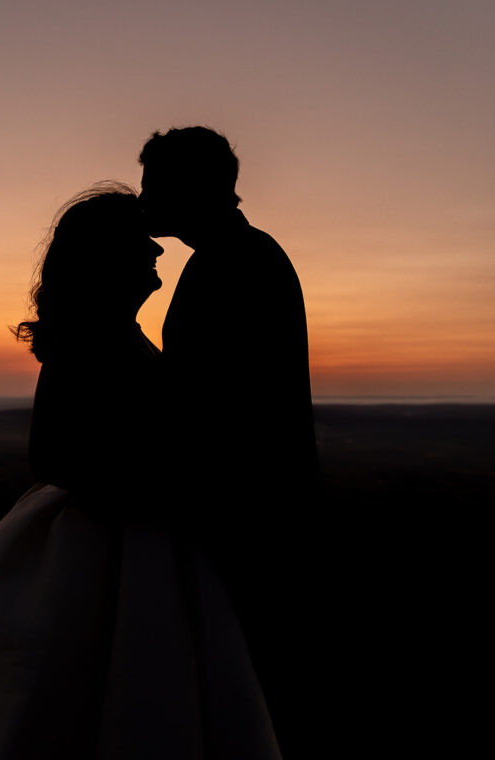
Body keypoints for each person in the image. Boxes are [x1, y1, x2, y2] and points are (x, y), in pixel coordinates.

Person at [0, 184, 283, 760]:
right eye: (141, 243)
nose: (157, 252)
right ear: (107, 257)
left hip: (141, 538)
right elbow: (52, 454)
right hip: (101, 544)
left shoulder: (120, 335)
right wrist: (155, 488)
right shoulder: (88, 340)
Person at [139, 128, 320, 759]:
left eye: (152, 182)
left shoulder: (236, 264)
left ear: (187, 187)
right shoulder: (230, 258)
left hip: (246, 518)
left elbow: (221, 408)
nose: (141, 196)